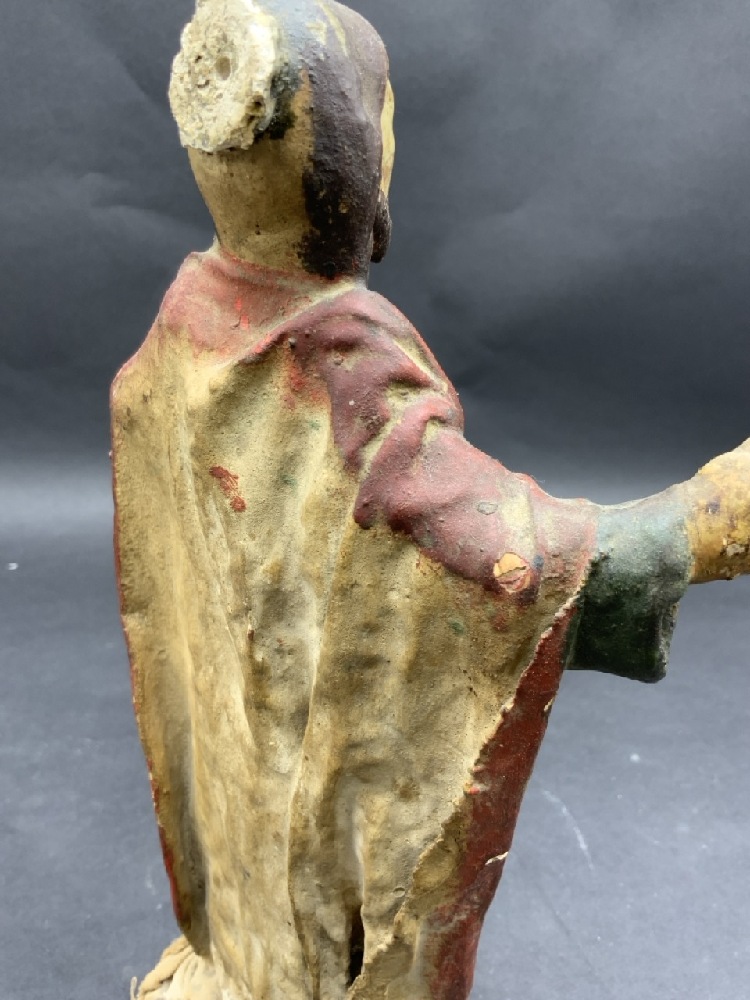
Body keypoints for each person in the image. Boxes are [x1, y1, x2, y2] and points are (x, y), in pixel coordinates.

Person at [111, 2, 750, 998]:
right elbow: (504, 563)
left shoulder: (183, 333)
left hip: (247, 832)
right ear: (350, 159)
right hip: (313, 864)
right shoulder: (342, 369)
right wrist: (708, 518)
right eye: (383, 119)